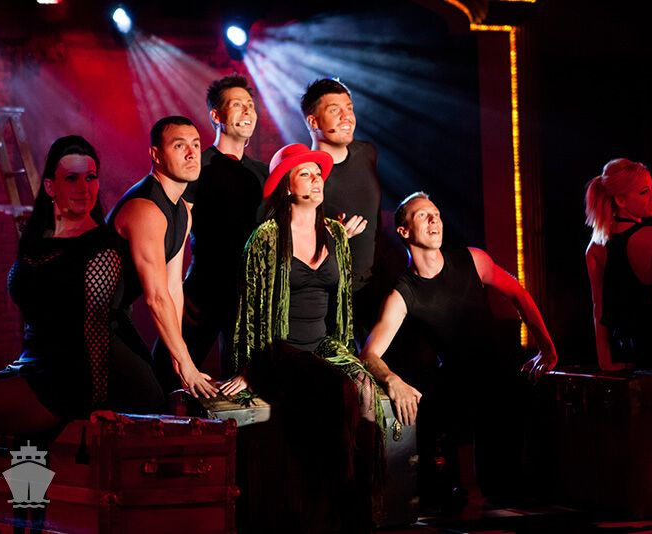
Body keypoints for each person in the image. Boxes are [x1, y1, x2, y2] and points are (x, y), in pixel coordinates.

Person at [221, 143, 383, 534]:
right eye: (305, 174)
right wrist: (248, 368)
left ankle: (362, 504)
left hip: (324, 345)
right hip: (280, 349)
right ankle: (327, 506)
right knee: (335, 390)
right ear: (287, 186)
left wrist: (347, 353)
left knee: (365, 388)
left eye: (318, 174)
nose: (316, 180)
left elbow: (342, 305)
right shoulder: (266, 238)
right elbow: (248, 309)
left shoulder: (335, 235)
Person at [361, 192, 558, 506]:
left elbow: (518, 294)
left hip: (501, 379)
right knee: (447, 409)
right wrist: (393, 381)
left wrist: (546, 347)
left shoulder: (473, 259)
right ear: (404, 231)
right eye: (423, 215)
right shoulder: (402, 295)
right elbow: (369, 354)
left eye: (437, 214)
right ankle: (464, 489)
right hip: (457, 391)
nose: (435, 220)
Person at [0, 136, 164, 434]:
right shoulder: (37, 239)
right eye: (72, 178)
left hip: (71, 381)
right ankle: (26, 469)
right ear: (50, 186)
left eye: (90, 177)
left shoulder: (101, 248)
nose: (84, 188)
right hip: (31, 368)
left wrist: (96, 404)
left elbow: (96, 328)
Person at [154, 76, 269, 391]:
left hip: (246, 294)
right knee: (165, 370)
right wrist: (171, 286)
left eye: (250, 105)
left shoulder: (262, 173)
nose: (247, 111)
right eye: (237, 105)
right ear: (216, 116)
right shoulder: (197, 165)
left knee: (241, 384)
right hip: (203, 288)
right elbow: (179, 230)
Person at [107, 116, 218, 399]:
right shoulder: (146, 209)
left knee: (154, 390)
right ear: (155, 155)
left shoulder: (183, 211)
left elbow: (172, 288)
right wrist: (186, 363)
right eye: (179, 146)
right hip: (86, 320)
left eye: (196, 144)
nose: (192, 154)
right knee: (147, 398)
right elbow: (156, 297)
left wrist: (177, 353)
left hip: (116, 316)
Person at [301, 78, 381, 341]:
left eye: (349, 108)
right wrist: (335, 238)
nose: (347, 117)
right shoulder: (303, 175)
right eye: (335, 110)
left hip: (372, 288)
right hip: (327, 295)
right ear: (313, 121)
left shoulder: (367, 154)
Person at [585, 158, 652, 370]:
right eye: (644, 192)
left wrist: (604, 361)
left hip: (629, 359)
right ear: (621, 200)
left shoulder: (594, 248)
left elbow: (598, 309)